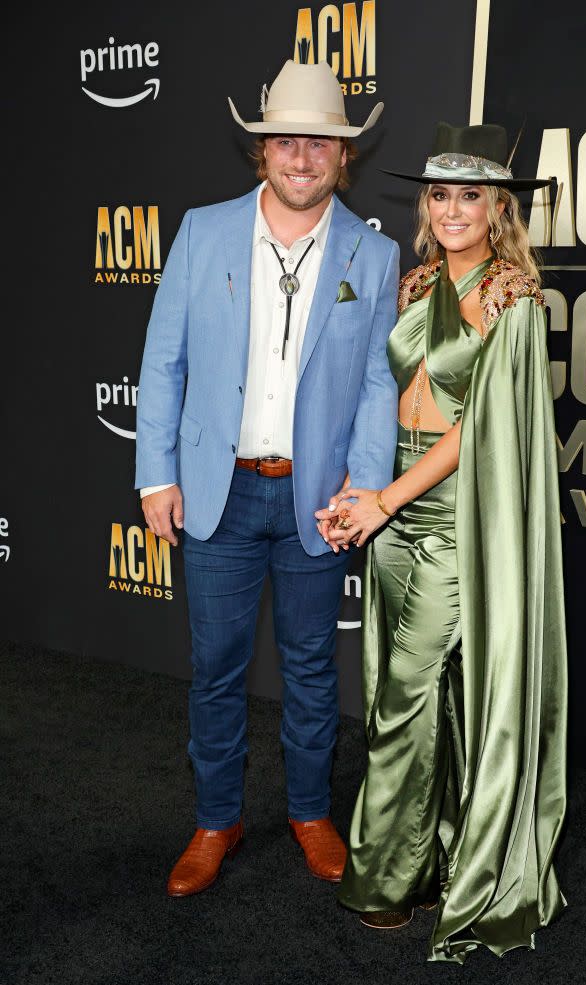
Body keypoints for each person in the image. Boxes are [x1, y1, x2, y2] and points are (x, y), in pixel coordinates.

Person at [135, 60, 399, 897]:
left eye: (318, 142)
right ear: (262, 149)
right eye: (286, 139)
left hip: (315, 501)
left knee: (313, 667)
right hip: (218, 490)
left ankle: (311, 813)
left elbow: (375, 388)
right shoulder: (203, 231)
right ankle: (216, 818)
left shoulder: (375, 251)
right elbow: (163, 362)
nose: (301, 156)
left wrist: (362, 489)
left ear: (341, 156)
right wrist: (155, 478)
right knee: (215, 666)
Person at [316, 123, 568, 962]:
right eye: (439, 193)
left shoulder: (515, 299)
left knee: (402, 701)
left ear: (498, 208)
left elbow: (478, 431)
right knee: (419, 696)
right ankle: (431, 855)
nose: (452, 208)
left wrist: (384, 499)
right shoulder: (417, 280)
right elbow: (388, 399)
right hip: (391, 500)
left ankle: (386, 878)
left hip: (457, 516)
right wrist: (362, 493)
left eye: (470, 195)